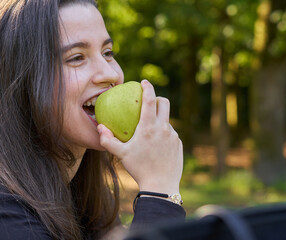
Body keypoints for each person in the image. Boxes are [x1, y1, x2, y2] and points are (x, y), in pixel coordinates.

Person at [0, 0, 185, 239]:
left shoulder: (86, 196)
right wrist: (159, 191)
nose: (110, 74)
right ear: (24, 80)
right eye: (76, 57)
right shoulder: (8, 215)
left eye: (107, 53)